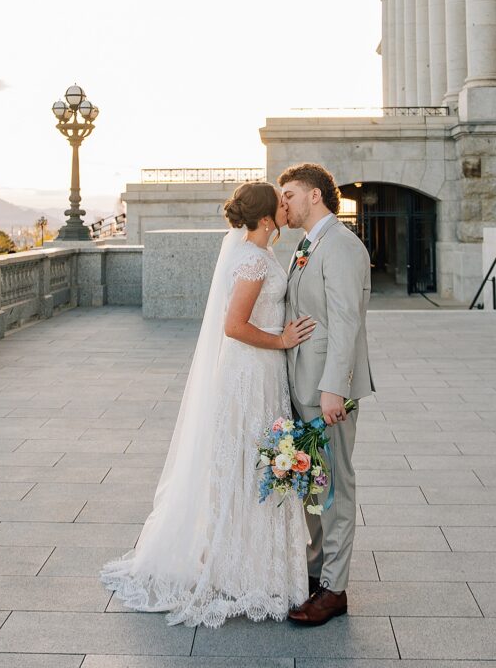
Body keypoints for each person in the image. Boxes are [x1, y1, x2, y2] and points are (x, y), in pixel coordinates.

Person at [100, 181, 315, 628]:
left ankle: (249, 560)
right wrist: (281, 338)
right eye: (279, 203)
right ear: (263, 219)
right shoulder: (254, 259)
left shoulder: (258, 252)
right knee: (245, 463)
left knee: (248, 463)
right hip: (251, 371)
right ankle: (237, 566)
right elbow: (234, 325)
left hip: (260, 371)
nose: (285, 206)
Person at [279, 162, 374, 627]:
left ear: (315, 196)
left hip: (327, 391)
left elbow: (345, 323)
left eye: (290, 195)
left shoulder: (341, 246)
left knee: (335, 487)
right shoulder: (307, 244)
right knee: (313, 486)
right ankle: (316, 574)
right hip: (304, 384)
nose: (285, 205)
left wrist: (334, 387)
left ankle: (334, 590)